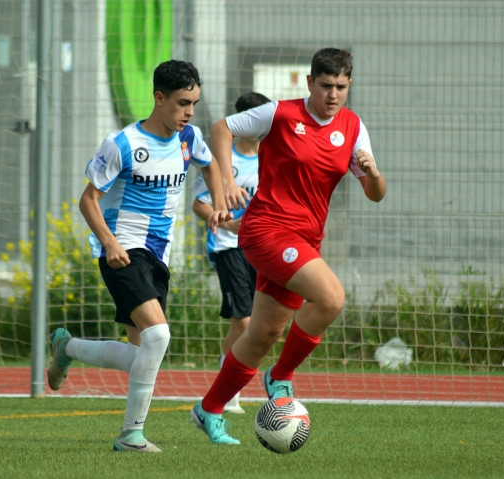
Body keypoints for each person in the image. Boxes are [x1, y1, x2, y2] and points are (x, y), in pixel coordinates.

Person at [190, 47, 387, 444]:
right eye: (327, 85)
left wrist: (373, 173)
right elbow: (220, 128)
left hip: (306, 238)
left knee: (262, 334)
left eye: (342, 87)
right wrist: (226, 181)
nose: (334, 95)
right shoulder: (279, 113)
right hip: (266, 229)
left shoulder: (352, 127)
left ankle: (208, 409)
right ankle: (280, 377)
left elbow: (375, 194)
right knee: (331, 298)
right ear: (311, 83)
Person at [47, 60, 231, 453]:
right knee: (159, 336)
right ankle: (131, 436)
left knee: (141, 355)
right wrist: (110, 242)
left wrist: (217, 202)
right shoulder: (123, 144)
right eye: (183, 103)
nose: (189, 112)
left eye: (195, 104)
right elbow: (88, 200)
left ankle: (68, 348)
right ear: (159, 98)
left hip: (157, 256)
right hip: (123, 253)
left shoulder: (189, 138)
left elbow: (211, 164)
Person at [191, 92, 271, 415]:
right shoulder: (226, 162)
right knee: (244, 319)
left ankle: (229, 386)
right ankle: (228, 392)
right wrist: (226, 224)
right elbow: (199, 203)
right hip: (229, 246)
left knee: (260, 323)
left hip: (263, 247)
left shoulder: (272, 155)